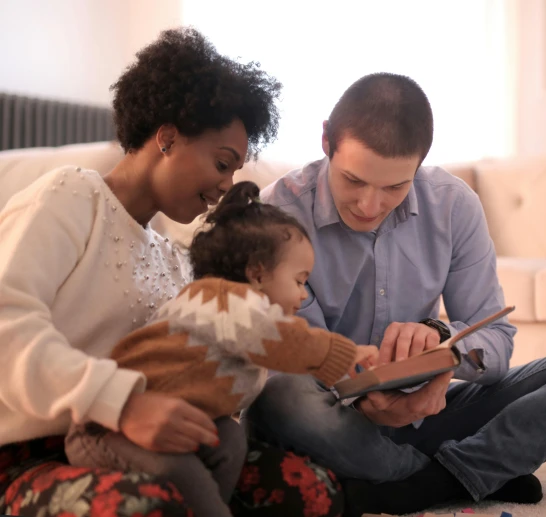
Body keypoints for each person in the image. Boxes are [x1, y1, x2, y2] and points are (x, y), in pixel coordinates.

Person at [243, 72, 546, 516]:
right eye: (353, 180)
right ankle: (467, 474)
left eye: (394, 186)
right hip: (331, 420)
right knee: (278, 400)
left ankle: (426, 483)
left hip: (428, 413)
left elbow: (496, 344)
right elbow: (291, 358)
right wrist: (364, 399)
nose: (369, 206)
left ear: (420, 164)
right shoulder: (275, 215)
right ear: (325, 141)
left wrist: (442, 349)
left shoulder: (453, 205)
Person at [0, 27, 344, 517]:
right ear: (167, 136)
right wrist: (125, 404)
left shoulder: (173, 257)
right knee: (155, 505)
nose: (226, 186)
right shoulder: (71, 197)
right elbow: (6, 326)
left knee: (311, 491)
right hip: (26, 454)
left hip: (144, 448)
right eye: (222, 163)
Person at [64, 180, 379, 517]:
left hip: (171, 426)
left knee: (228, 438)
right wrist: (342, 353)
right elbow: (284, 339)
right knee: (181, 474)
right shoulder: (224, 302)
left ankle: (212, 505)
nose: (304, 295)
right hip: (103, 431)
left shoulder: (230, 317)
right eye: (300, 281)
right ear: (257, 274)